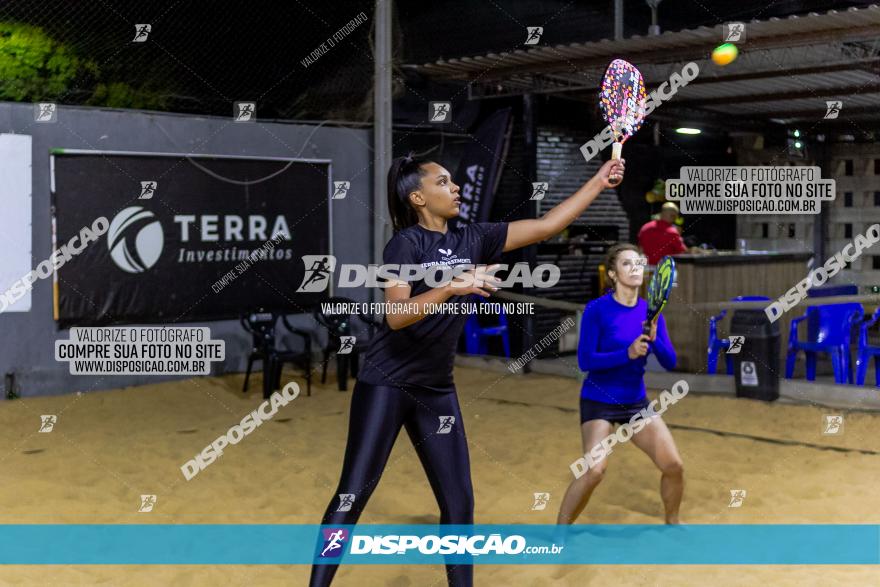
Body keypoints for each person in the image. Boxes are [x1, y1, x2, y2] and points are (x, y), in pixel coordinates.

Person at [309, 153, 625, 587]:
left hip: (437, 389)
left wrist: (598, 181)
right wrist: (452, 285)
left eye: (453, 180)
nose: (455, 187)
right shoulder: (405, 244)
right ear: (419, 197)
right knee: (352, 495)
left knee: (459, 504)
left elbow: (548, 225)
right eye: (443, 181)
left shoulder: (473, 238)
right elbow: (396, 315)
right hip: (386, 384)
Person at [556, 243, 684, 526]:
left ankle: (672, 523)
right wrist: (626, 353)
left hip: (635, 403)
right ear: (613, 274)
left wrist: (656, 338)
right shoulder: (597, 310)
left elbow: (671, 362)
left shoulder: (650, 312)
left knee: (674, 466)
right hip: (599, 401)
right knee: (594, 471)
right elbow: (585, 361)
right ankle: (560, 533)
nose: (635, 268)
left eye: (639, 263)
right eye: (627, 264)